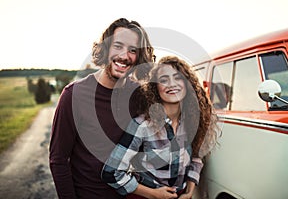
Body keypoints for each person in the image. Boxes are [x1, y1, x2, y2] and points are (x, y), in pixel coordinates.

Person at [49, 18, 155, 199]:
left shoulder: (139, 95)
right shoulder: (74, 96)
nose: (124, 56)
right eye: (118, 46)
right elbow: (58, 160)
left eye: (132, 50)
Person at [101, 56, 218, 199]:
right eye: (163, 80)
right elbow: (111, 172)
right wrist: (153, 194)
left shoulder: (191, 121)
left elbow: (196, 157)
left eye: (178, 78)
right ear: (155, 88)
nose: (171, 84)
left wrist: (189, 190)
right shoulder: (142, 125)